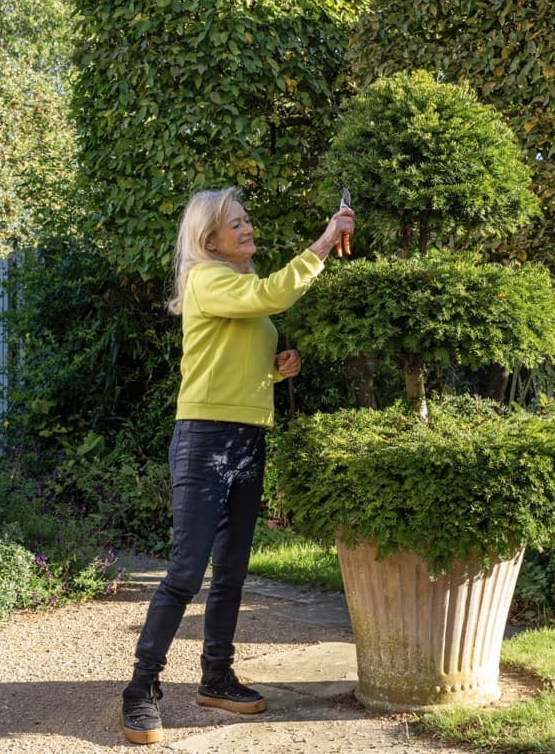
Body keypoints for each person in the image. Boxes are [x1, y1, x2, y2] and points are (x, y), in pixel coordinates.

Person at [121, 186, 354, 745]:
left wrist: (276, 368)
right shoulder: (206, 279)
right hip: (204, 440)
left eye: (247, 220)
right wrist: (325, 240)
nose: (249, 229)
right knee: (185, 573)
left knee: (231, 573)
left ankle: (216, 678)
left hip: (248, 437)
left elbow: (237, 347)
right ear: (209, 240)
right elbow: (275, 295)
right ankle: (140, 691)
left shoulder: (239, 287)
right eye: (237, 224)